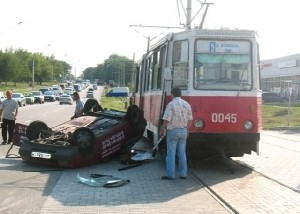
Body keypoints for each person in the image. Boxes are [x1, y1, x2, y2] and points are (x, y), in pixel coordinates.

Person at [159, 87, 193, 180]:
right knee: (182, 153)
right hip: (184, 131)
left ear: (172, 94)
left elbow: (166, 119)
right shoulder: (187, 104)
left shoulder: (171, 104)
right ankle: (183, 174)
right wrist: (187, 129)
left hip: (173, 131)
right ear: (180, 94)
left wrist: (162, 129)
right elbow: (190, 120)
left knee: (171, 153)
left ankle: (170, 174)